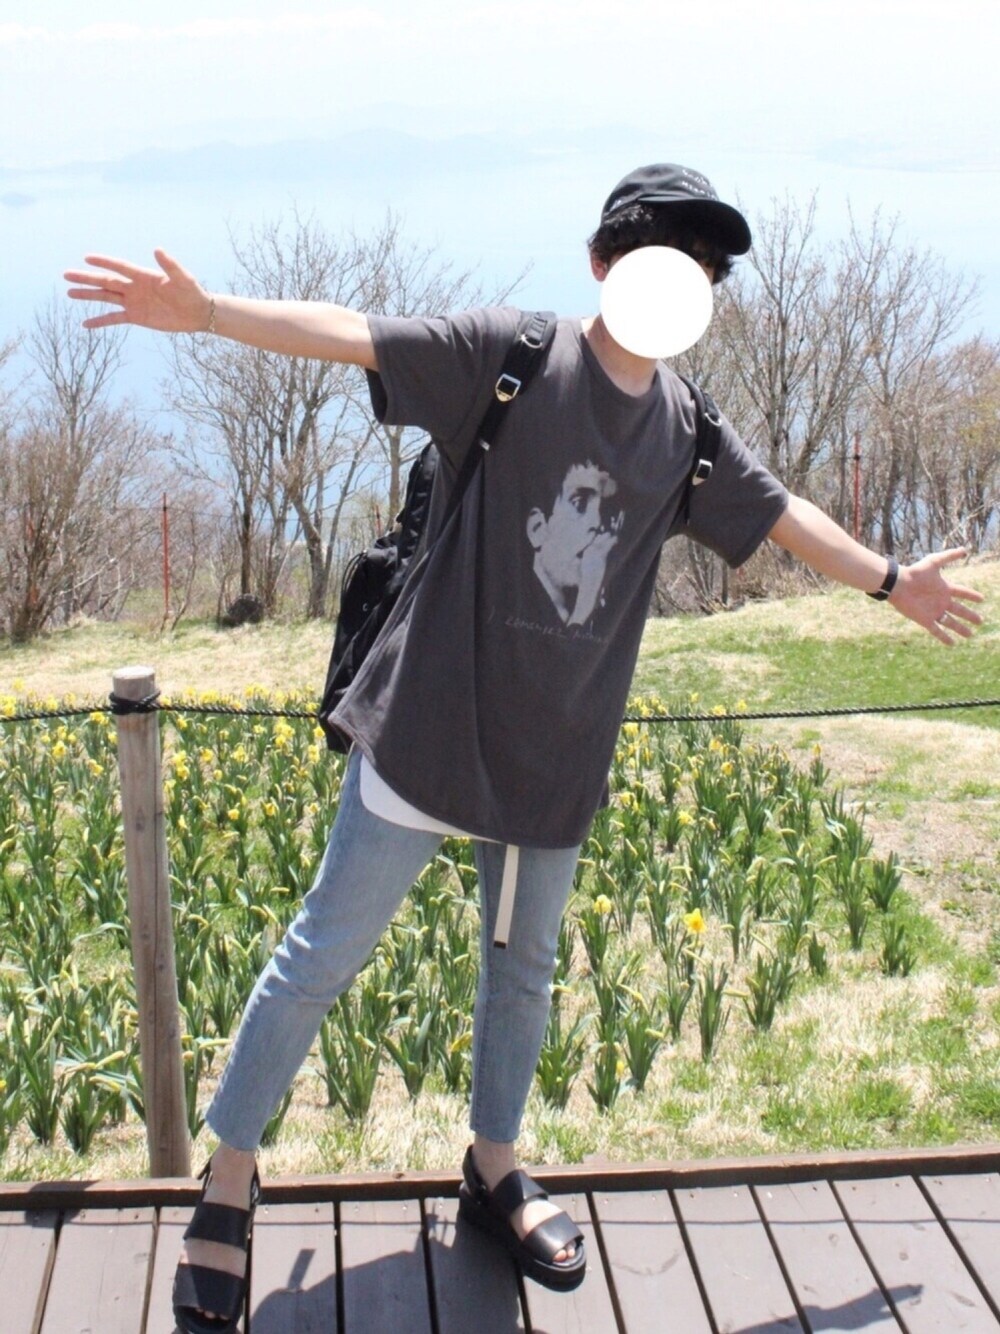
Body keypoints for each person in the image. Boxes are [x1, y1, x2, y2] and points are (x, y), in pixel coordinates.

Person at [65, 162, 984, 1331]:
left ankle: (493, 1160)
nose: (688, 277)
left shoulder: (687, 429)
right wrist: (207, 314)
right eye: (666, 254)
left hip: (552, 757)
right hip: (427, 731)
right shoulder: (512, 356)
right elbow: (355, 333)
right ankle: (231, 1174)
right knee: (321, 955)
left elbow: (781, 511)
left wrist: (891, 579)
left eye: (705, 266)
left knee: (523, 967)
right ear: (604, 262)